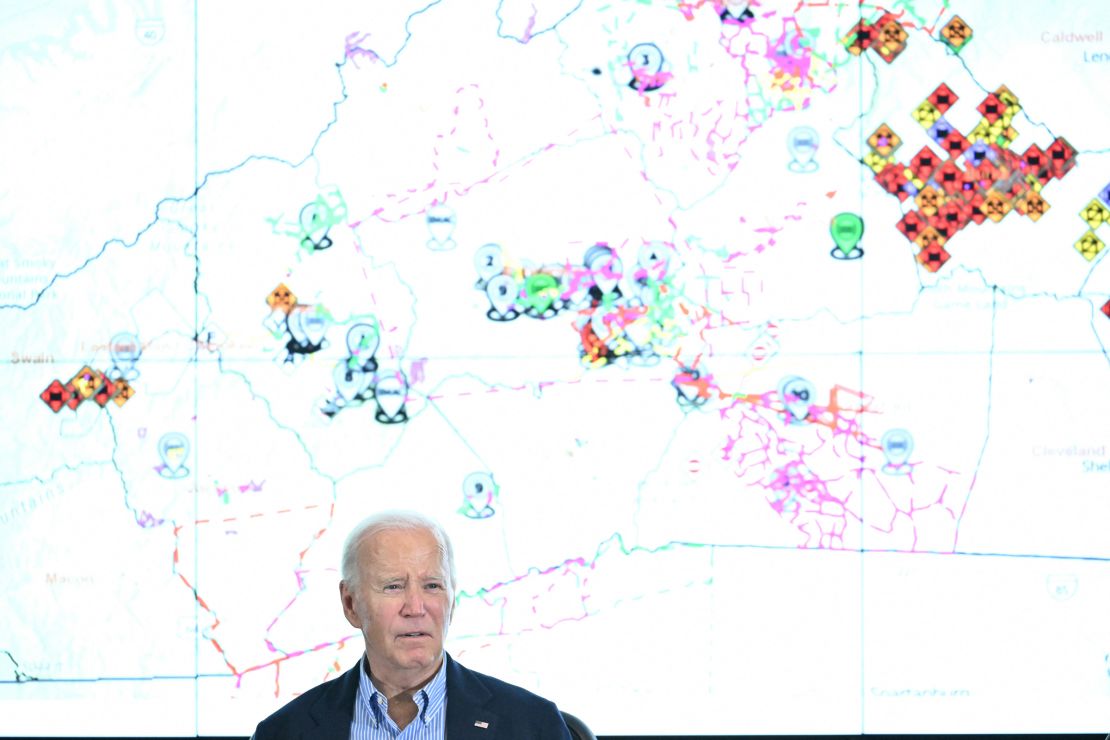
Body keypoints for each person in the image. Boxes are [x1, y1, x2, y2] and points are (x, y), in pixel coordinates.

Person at [252, 510, 573, 739]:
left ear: (452, 599)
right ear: (351, 604)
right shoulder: (284, 732)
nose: (416, 608)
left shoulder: (532, 726)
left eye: (432, 585)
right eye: (393, 586)